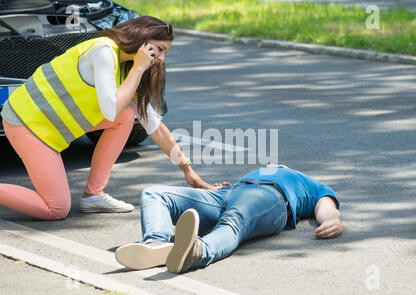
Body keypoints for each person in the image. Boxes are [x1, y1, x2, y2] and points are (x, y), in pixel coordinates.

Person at [0, 16, 216, 221]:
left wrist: (189, 172)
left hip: (49, 129)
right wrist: (139, 67)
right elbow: (110, 110)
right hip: (25, 122)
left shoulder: (127, 69)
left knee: (127, 115)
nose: (161, 59)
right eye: (160, 50)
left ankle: (93, 195)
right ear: (142, 40)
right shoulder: (103, 51)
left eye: (164, 53)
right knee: (56, 209)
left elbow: (156, 128)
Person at [114, 165, 343, 273]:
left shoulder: (307, 181)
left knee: (234, 220)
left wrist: (331, 220)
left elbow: (325, 203)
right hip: (229, 192)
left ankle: (197, 252)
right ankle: (156, 245)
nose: (274, 164)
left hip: (271, 197)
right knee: (156, 193)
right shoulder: (260, 171)